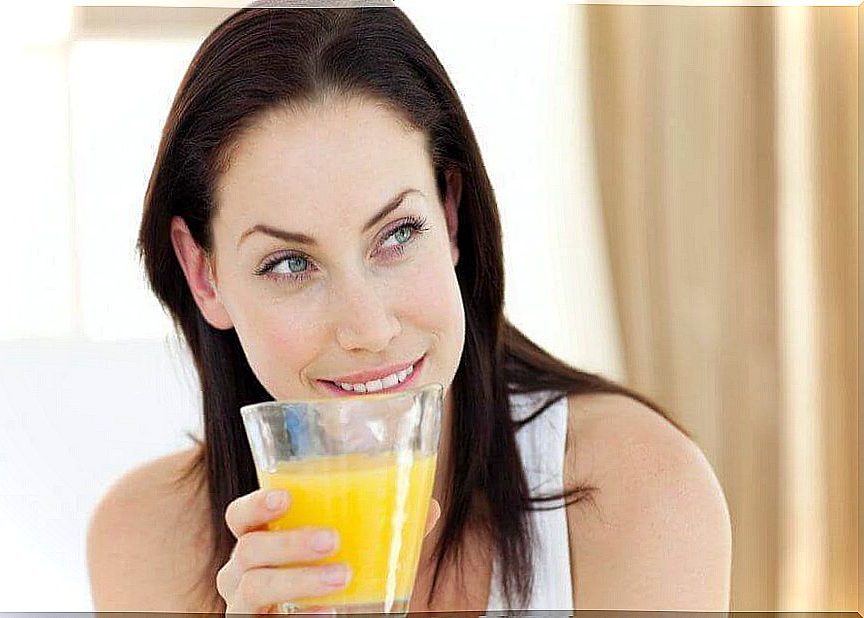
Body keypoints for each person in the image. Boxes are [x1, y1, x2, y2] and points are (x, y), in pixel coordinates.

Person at [85, 2, 732, 614]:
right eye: (289, 264)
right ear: (204, 277)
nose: (368, 329)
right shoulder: (149, 540)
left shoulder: (635, 487)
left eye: (396, 235)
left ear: (449, 217)